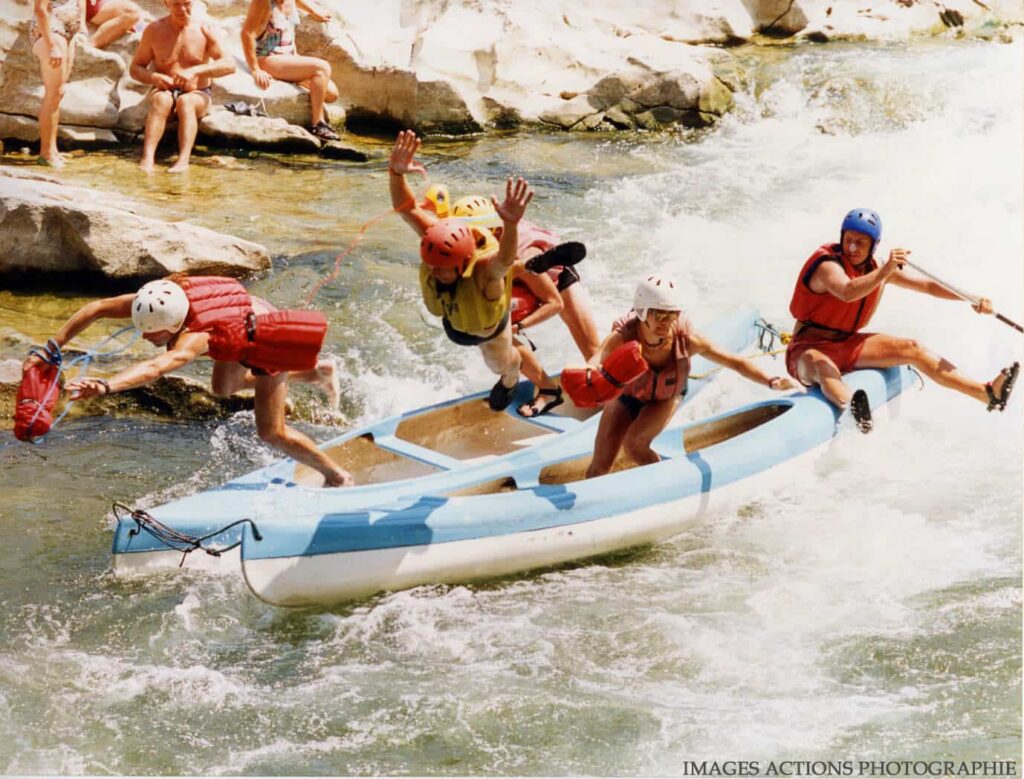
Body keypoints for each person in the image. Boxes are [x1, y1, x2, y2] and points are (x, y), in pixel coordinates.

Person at [32, 276, 352, 487]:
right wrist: (52, 348)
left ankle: (336, 476)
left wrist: (106, 386)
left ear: (174, 325)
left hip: (266, 339)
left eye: (152, 333)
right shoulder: (159, 299)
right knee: (223, 389)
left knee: (271, 432)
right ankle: (316, 374)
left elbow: (159, 366)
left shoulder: (195, 339)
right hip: (237, 324)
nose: (144, 336)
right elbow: (97, 308)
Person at [785, 208, 1019, 432]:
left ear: (873, 246)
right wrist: (886, 270)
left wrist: (970, 298)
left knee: (912, 348)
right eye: (848, 239)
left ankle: (986, 393)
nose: (852, 247)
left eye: (861, 242)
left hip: (847, 343)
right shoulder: (828, 266)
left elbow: (928, 286)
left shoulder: (877, 270)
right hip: (807, 349)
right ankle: (853, 412)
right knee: (822, 367)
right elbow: (847, 291)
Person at [586, 274, 796, 478]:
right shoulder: (623, 336)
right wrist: (586, 375)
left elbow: (735, 362)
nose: (666, 322)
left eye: (672, 315)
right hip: (626, 397)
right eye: (659, 315)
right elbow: (596, 360)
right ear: (642, 311)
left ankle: (666, 482)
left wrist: (770, 381)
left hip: (665, 397)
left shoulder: (687, 339)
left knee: (634, 444)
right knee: (598, 468)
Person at [388, 130, 533, 411]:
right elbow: (405, 208)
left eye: (442, 270)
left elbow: (503, 261)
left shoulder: (484, 272)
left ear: (463, 263)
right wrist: (395, 172)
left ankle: (512, 374)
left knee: (500, 364)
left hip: (487, 331)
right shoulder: (439, 242)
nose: (434, 273)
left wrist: (512, 225)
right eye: (432, 266)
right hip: (455, 321)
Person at [427, 188, 600, 416]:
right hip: (510, 276)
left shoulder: (520, 252)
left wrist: (521, 326)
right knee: (487, 326)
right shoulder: (467, 245)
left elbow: (554, 302)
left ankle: (611, 397)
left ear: (494, 232)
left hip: (553, 280)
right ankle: (548, 389)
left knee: (593, 353)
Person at [129, 0, 235, 174]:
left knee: (186, 102)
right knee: (161, 99)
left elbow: (229, 64)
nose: (183, 9)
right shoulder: (154, 30)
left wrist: (195, 71)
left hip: (197, 93)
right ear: (166, 4)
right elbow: (136, 68)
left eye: (186, 4)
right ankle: (147, 159)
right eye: (177, 4)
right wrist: (154, 77)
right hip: (165, 90)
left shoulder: (204, 30)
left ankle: (183, 160)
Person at [240, 0, 340, 141]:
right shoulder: (263, 2)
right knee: (322, 67)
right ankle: (318, 124)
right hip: (267, 57)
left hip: (288, 57)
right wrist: (255, 69)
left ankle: (290, 78)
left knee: (331, 94)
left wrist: (313, 9)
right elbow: (246, 33)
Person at [30, 0, 84, 167]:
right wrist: (51, 44)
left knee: (59, 93)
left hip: (69, 31)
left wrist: (80, 29)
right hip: (51, 31)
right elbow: (40, 9)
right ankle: (45, 153)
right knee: (53, 92)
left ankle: (52, 150)